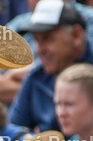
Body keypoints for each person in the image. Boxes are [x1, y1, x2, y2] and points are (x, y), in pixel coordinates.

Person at [10, 0, 93, 133]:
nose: (39, 50)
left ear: (76, 35)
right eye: (36, 40)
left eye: (48, 38)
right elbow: (14, 133)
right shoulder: (36, 76)